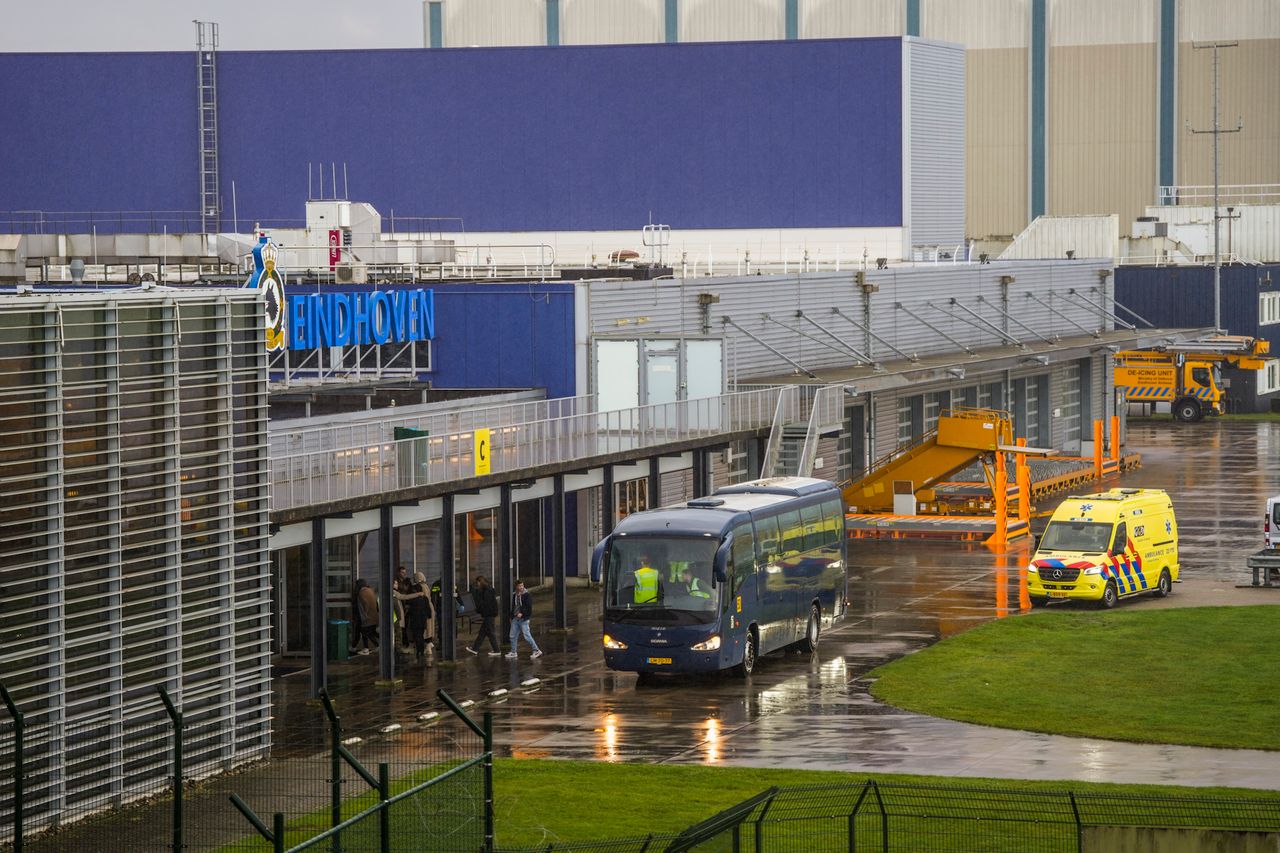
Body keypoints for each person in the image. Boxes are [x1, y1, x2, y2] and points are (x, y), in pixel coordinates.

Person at [396, 572, 434, 662]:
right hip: (427, 610)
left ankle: (419, 649)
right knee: (426, 631)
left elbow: (406, 599)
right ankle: (427, 646)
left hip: (419, 614)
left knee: (418, 634)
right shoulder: (426, 586)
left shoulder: (417, 590)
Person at [505, 579, 542, 659]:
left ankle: (536, 650)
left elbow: (528, 607)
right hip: (515, 618)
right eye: (519, 586)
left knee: (527, 635)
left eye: (522, 585)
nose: (521, 587)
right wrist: (512, 616)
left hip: (524, 619)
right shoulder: (515, 595)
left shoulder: (527, 595)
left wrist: (522, 613)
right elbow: (514, 606)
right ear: (516, 587)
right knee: (512, 635)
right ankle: (513, 651)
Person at [466, 575, 502, 656]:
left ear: (480, 582)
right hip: (489, 614)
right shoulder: (488, 590)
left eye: (478, 582)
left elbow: (485, 604)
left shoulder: (486, 592)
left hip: (488, 615)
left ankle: (496, 650)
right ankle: (475, 649)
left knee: (490, 633)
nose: (477, 584)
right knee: (482, 633)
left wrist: (481, 611)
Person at [353, 579, 379, 655]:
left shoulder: (361, 593)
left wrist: (365, 614)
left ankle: (366, 649)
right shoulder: (370, 590)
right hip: (374, 616)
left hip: (367, 617)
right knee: (372, 632)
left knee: (365, 633)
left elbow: (365, 604)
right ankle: (379, 645)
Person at [394, 565, 413, 652]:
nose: (404, 574)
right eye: (402, 572)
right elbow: (402, 594)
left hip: (405, 606)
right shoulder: (397, 583)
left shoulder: (406, 582)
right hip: (399, 606)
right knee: (400, 626)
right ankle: (402, 643)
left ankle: (404, 642)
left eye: (405, 572)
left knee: (404, 625)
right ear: (398, 573)